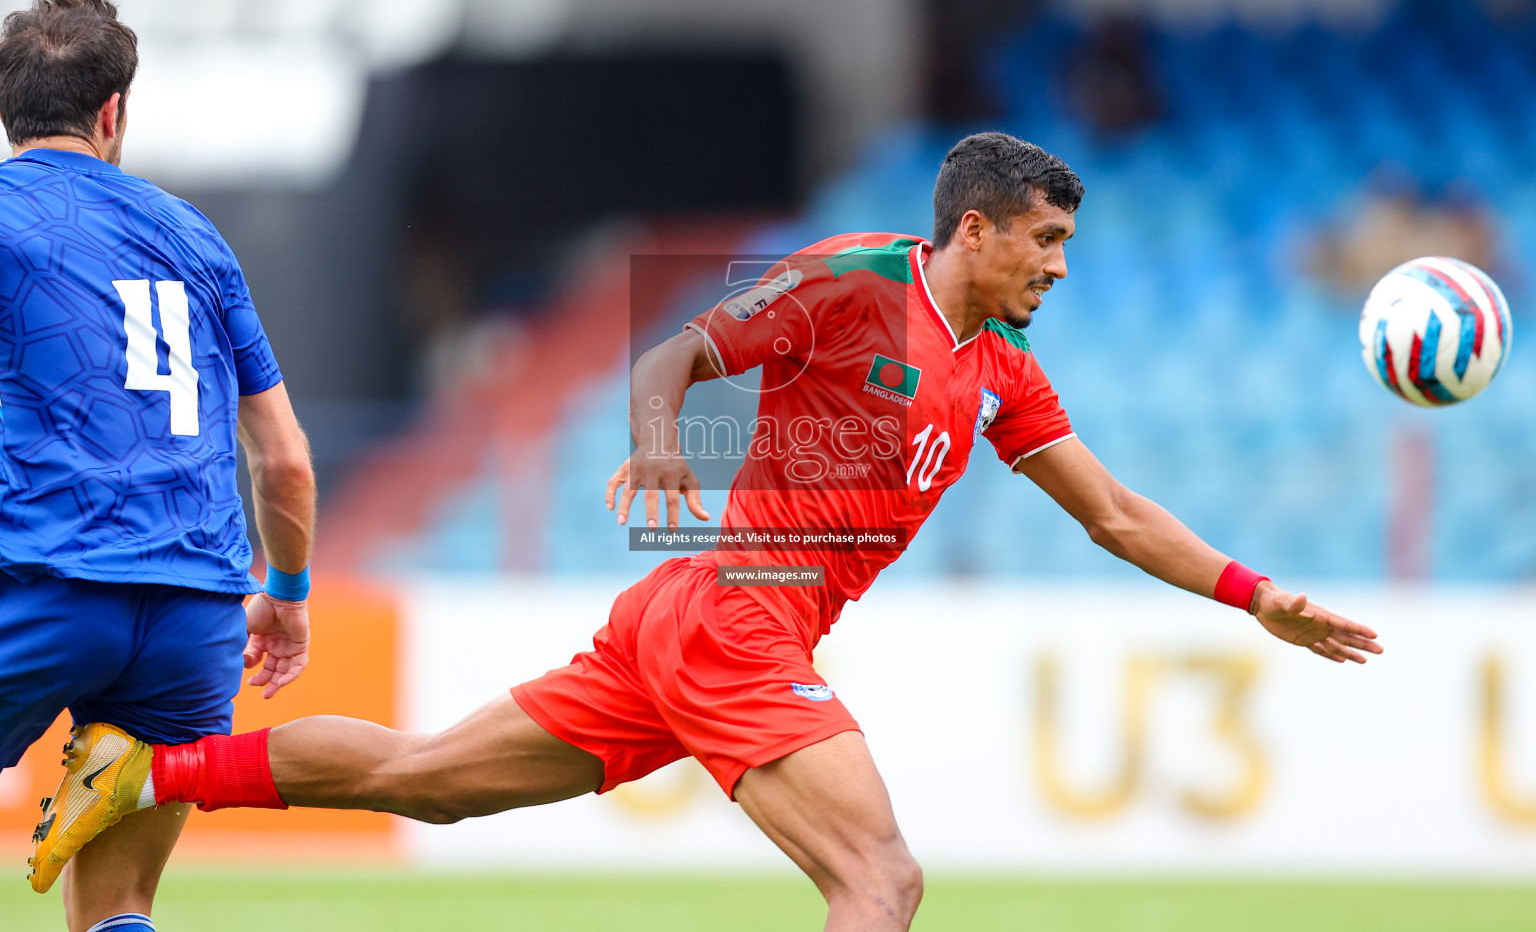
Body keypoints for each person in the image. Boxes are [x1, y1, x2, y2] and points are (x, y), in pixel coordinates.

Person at [43, 132, 1381, 932]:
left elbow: (1117, 514)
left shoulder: (1002, 371)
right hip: (738, 611)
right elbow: (672, 355)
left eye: (1067, 243)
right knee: (884, 876)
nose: (1060, 266)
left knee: (426, 778)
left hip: (702, 625)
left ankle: (149, 777)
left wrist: (1256, 595)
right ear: (972, 228)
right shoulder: (857, 279)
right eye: (1044, 239)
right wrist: (659, 447)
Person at [0, 0, 315, 932]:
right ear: (112, 111)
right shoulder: (194, 236)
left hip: (42, 583)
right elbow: (286, 462)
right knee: (119, 907)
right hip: (193, 615)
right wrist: (288, 599)